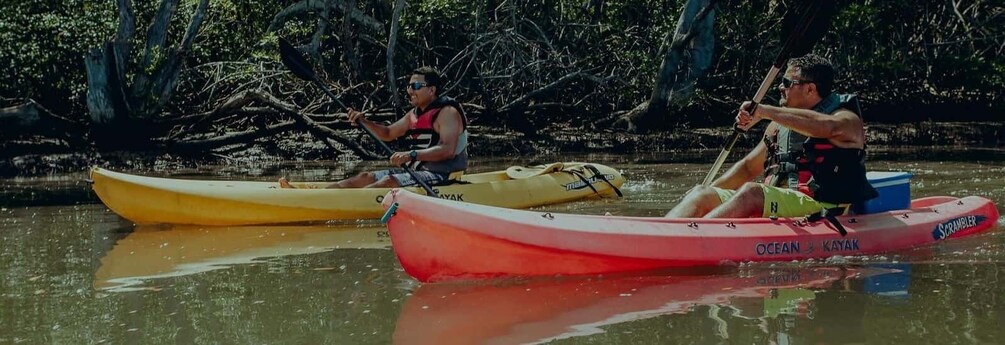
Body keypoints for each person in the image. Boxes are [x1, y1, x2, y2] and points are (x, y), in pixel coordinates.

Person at [666, 54, 877, 218]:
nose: (780, 87)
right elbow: (749, 167)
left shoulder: (846, 119)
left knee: (751, 192)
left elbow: (828, 128)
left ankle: (693, 238)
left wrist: (764, 111)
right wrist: (710, 192)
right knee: (702, 193)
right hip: (778, 203)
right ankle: (665, 233)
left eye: (787, 82)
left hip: (822, 206)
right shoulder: (778, 126)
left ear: (810, 89)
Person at [280, 66, 469, 188]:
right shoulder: (414, 115)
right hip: (418, 172)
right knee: (365, 176)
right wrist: (364, 121)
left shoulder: (447, 113)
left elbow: (448, 150)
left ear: (432, 90)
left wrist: (411, 155)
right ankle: (318, 197)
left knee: (388, 182)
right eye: (409, 86)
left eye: (416, 85)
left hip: (444, 176)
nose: (410, 90)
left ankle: (336, 202)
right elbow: (387, 133)